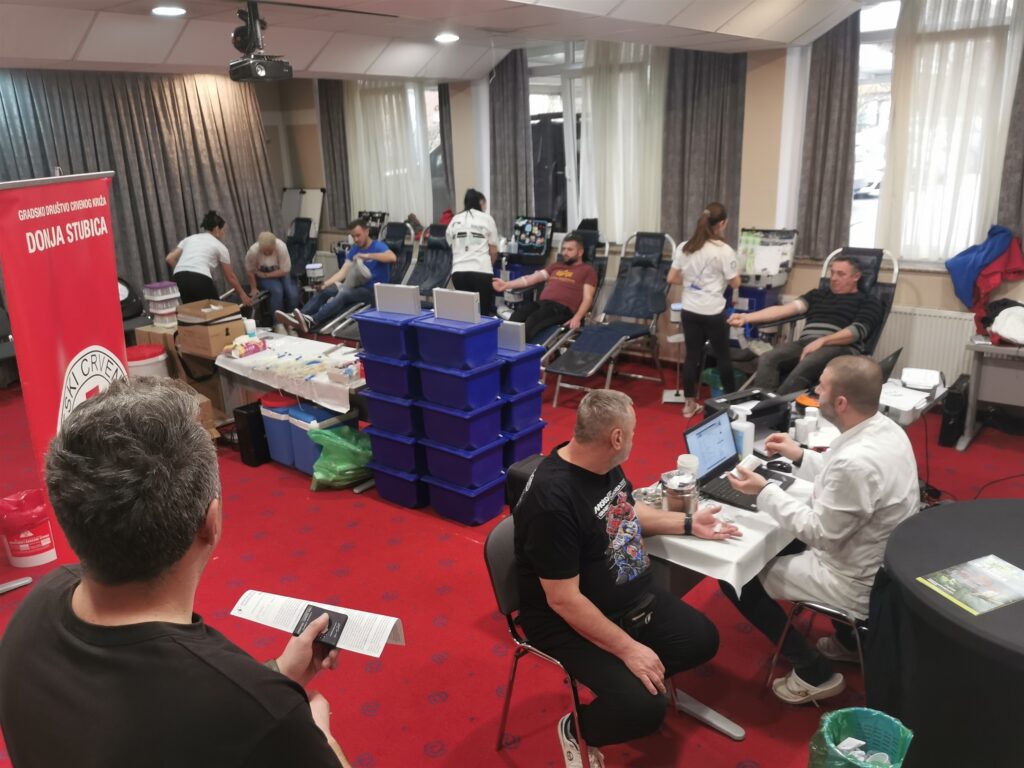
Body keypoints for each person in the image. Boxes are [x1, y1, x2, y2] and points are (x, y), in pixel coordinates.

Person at [0, 379, 350, 768]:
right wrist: (319, 737)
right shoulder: (270, 718)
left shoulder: (33, 611)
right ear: (211, 522)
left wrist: (277, 674)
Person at [514, 389, 740, 766]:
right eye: (632, 433)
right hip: (563, 619)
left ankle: (637, 682)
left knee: (701, 640)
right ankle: (579, 728)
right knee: (644, 709)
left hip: (627, 597)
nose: (634, 440)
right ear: (616, 437)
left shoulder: (600, 463)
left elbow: (627, 510)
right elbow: (563, 600)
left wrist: (687, 523)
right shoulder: (551, 502)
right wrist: (629, 649)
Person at [724, 356, 919, 704]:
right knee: (779, 543)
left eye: (822, 386)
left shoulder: (856, 463)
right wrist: (799, 455)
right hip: (879, 563)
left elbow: (821, 534)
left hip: (853, 581)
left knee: (735, 577)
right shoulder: (886, 429)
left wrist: (764, 491)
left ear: (840, 402)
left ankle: (813, 670)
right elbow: (837, 471)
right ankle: (848, 642)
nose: (815, 391)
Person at [727, 256, 884, 394]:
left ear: (856, 276)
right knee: (768, 358)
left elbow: (857, 331)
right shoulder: (817, 295)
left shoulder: (868, 301)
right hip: (806, 343)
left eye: (841, 274)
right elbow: (784, 310)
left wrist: (823, 341)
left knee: (809, 363)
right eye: (832, 273)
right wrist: (746, 317)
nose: (834, 278)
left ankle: (778, 406)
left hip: (841, 347)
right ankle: (763, 404)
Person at [667, 202, 741, 418]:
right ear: (722, 223)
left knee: (692, 356)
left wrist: (691, 283)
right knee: (723, 357)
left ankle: (689, 405)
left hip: (690, 310)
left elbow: (671, 277)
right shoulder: (724, 251)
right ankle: (731, 404)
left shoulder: (685, 247)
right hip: (713, 312)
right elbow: (735, 282)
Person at [278, 218, 396, 334]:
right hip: (355, 287)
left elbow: (392, 257)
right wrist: (325, 284)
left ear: (367, 231)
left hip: (373, 291)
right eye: (353, 236)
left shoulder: (379, 246)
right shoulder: (355, 249)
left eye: (358, 235)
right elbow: (343, 272)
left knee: (344, 294)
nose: (356, 239)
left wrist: (368, 256)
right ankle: (299, 317)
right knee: (324, 291)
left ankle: (313, 320)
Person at [492, 232, 597, 341]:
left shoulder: (588, 270)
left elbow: (588, 298)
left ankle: (519, 349)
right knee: (517, 316)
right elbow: (531, 278)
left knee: (533, 320)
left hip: (562, 309)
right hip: (542, 304)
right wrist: (506, 285)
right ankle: (501, 346)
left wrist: (577, 317)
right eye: (564, 249)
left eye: (570, 250)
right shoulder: (556, 266)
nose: (565, 253)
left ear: (580, 252)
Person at [166, 210, 253, 306]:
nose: (223, 233)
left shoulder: (190, 238)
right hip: (199, 277)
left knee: (192, 310)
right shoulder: (220, 246)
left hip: (179, 276)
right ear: (217, 229)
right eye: (223, 230)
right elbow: (230, 276)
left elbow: (170, 258)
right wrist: (242, 294)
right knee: (215, 310)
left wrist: (184, 270)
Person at [446, 188, 499, 315]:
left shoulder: (455, 219)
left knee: (466, 314)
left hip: (458, 273)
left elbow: (450, 243)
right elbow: (493, 251)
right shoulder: (487, 219)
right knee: (483, 315)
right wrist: (489, 264)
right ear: (480, 202)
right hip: (481, 272)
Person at [246, 231, 300, 331]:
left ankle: (290, 322)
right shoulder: (253, 251)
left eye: (270, 251)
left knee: (292, 293)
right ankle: (278, 323)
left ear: (275, 245)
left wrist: (266, 275)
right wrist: (253, 288)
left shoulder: (281, 247)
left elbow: (285, 270)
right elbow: (250, 271)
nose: (267, 253)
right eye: (265, 251)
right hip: (262, 274)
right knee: (277, 291)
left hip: (280, 273)